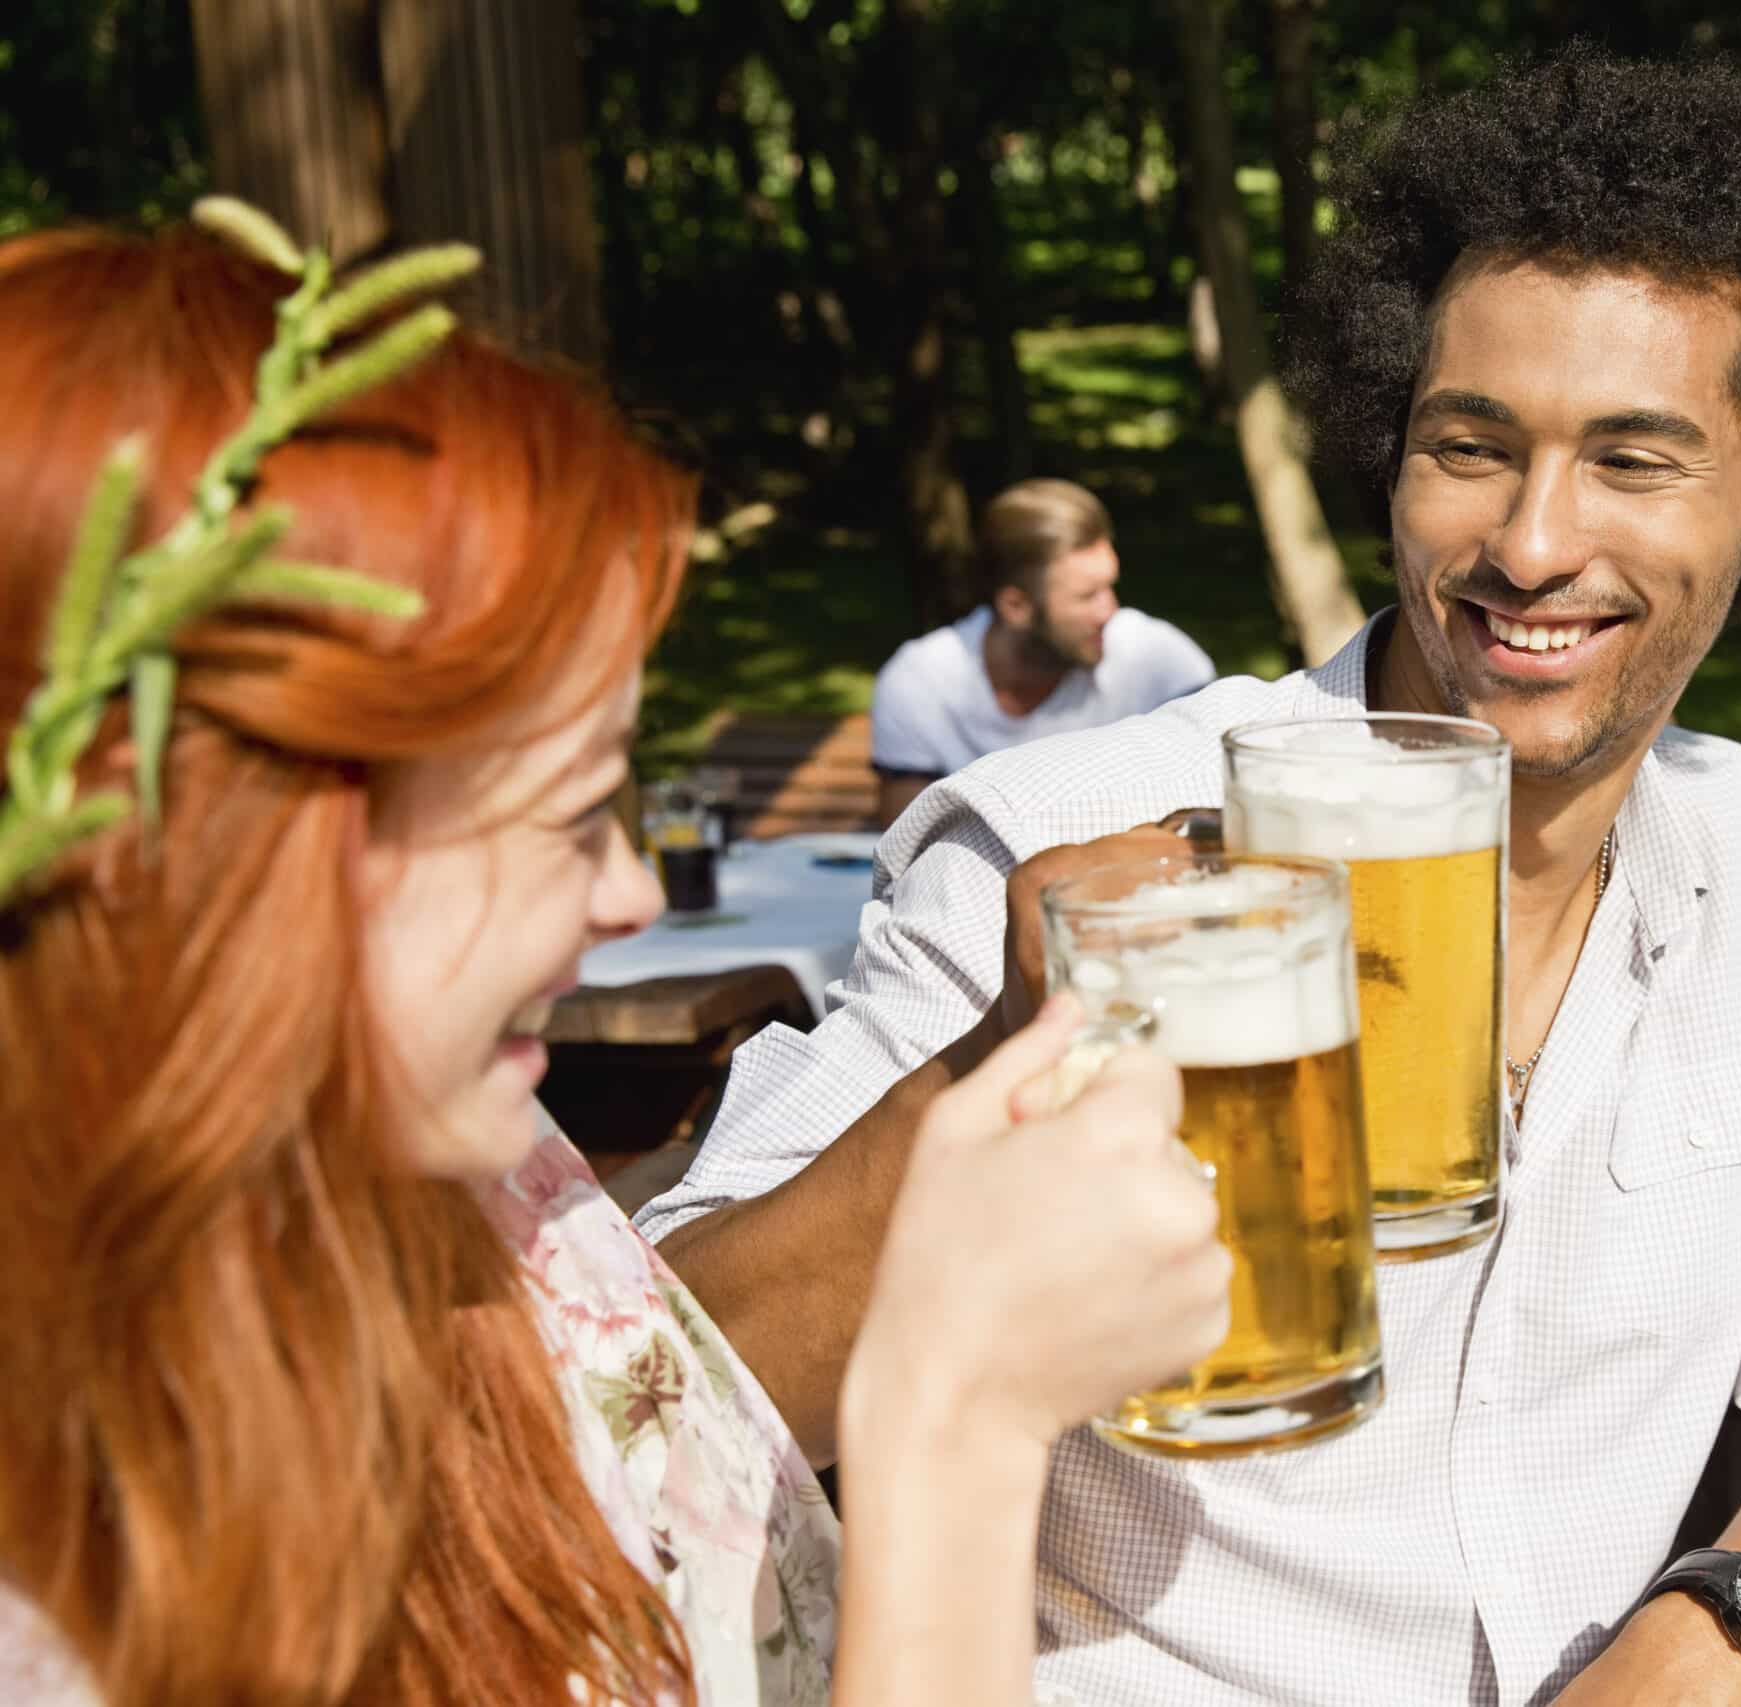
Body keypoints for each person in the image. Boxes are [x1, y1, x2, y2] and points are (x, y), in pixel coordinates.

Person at [642, 49, 1741, 1707]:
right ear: (1390, 458)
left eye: (1634, 462)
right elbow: (658, 1409)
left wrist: (1716, 1635)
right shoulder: (1069, 841)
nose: (1529, 542)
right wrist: (993, 1070)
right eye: (1471, 445)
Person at [0, 220, 1229, 1706]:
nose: (631, 893)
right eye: (575, 807)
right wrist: (962, 1426)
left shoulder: (485, 1183)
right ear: (233, 848)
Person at [869, 478, 1215, 824]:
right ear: (1016, 606)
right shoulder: (920, 683)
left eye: (1110, 587)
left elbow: (1214, 803)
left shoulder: (1161, 662)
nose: (1108, 610)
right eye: (1086, 596)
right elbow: (909, 850)